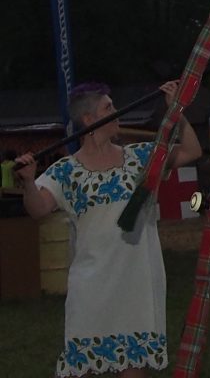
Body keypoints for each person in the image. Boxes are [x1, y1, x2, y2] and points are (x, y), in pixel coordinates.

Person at [14, 80, 200, 377]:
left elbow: (192, 150)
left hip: (137, 284)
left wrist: (177, 110)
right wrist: (28, 181)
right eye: (108, 107)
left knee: (134, 369)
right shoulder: (66, 170)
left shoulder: (141, 157)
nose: (117, 112)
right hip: (92, 287)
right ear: (89, 119)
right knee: (85, 367)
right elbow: (37, 208)